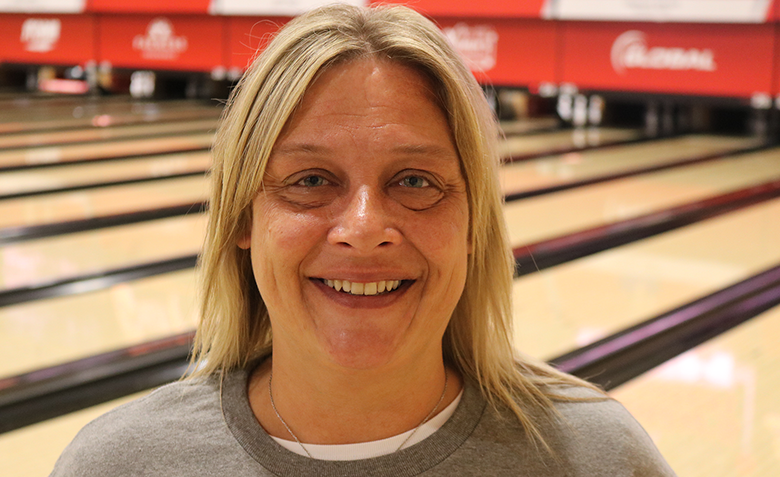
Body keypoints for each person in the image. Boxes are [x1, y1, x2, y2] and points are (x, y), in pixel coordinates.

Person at [50, 4, 676, 476]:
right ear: (242, 217)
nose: (363, 229)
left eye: (415, 180)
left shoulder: (597, 458)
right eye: (310, 180)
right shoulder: (118, 466)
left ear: (473, 224)